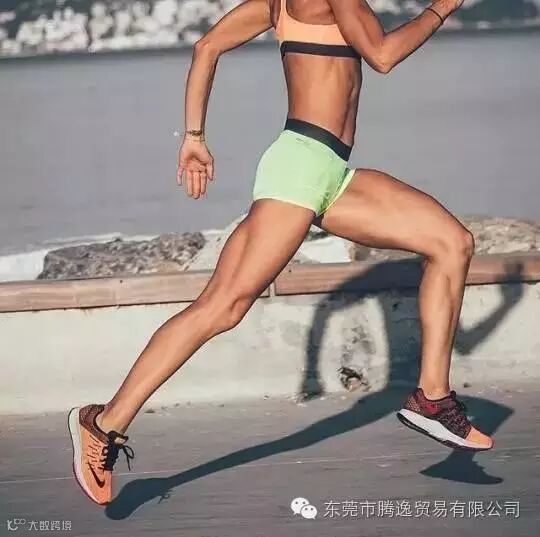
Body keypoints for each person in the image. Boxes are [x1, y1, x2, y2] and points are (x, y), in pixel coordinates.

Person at [68, 0, 493, 506]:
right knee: (221, 307)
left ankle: (432, 398)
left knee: (451, 243)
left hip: (330, 171)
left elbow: (207, 46)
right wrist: (441, 9)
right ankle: (103, 423)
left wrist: (195, 137)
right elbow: (381, 55)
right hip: (300, 170)